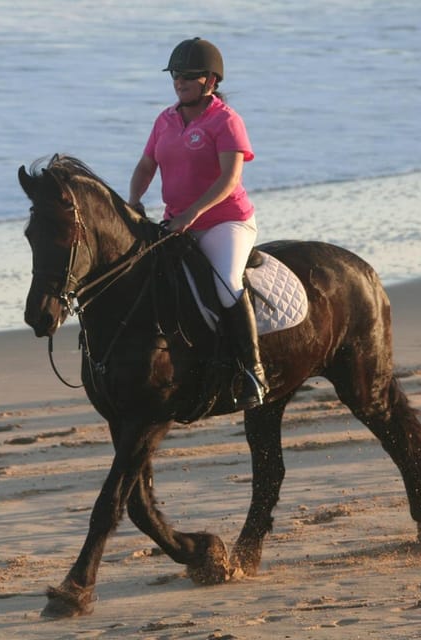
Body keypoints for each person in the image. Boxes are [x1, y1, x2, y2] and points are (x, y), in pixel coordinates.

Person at [128, 37, 268, 409]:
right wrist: (132, 202)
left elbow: (229, 180)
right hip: (176, 223)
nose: (179, 81)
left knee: (226, 287)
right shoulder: (165, 119)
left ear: (210, 80)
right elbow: (146, 166)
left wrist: (192, 214)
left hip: (226, 223)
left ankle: (253, 372)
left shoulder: (226, 120)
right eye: (176, 74)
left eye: (188, 75)